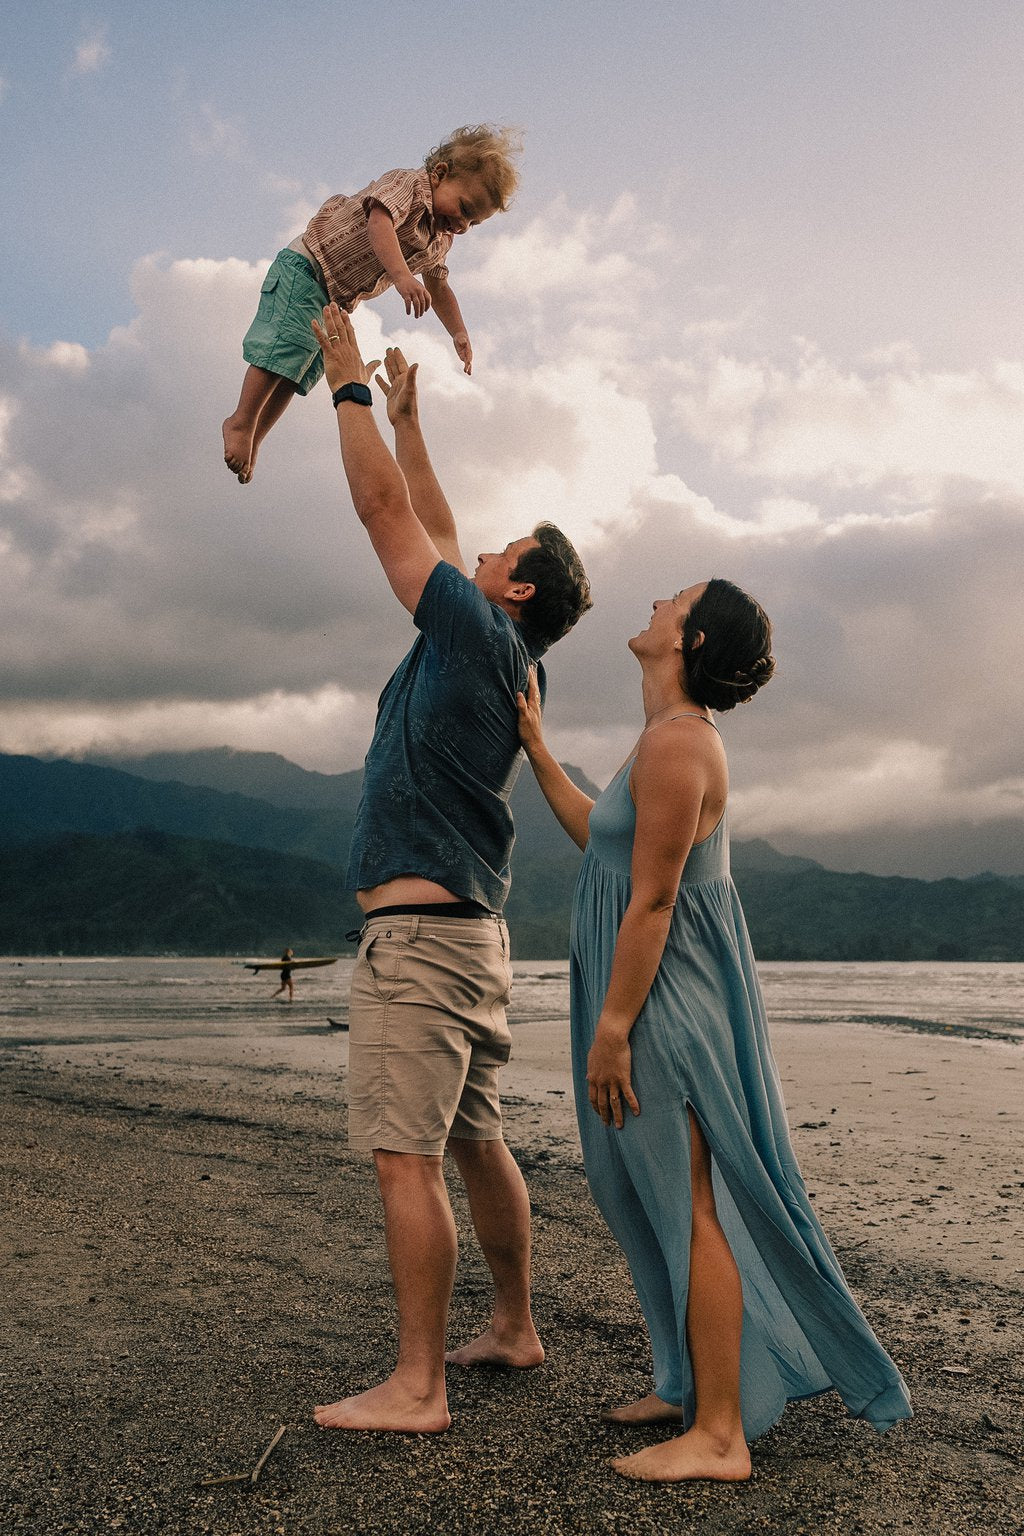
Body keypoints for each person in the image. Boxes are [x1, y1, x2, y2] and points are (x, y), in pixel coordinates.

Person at [516, 579, 912, 1482]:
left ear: (691, 641)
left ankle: (721, 1434)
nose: (656, 602)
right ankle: (686, 1381)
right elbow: (604, 841)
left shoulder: (683, 746)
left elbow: (653, 899)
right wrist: (539, 748)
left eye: (675, 600)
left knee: (692, 1201)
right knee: (642, 1190)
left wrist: (613, 1027)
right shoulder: (657, 741)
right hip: (644, 991)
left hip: (664, 1003)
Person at [309, 301, 592, 1434]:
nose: (478, 554)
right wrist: (416, 427)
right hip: (469, 937)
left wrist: (349, 389)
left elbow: (390, 518)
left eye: (498, 556)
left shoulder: (475, 633)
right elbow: (430, 512)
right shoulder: (497, 641)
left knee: (404, 1158)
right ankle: (514, 1326)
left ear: (513, 588)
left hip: (422, 942)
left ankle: (417, 1387)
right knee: (475, 1137)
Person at [222, 124, 520, 484]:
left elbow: (439, 285)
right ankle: (241, 420)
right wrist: (401, 276)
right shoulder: (407, 185)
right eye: (464, 208)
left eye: (474, 222)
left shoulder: (439, 241)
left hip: (334, 299)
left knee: (301, 366)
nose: (462, 225)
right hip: (309, 265)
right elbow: (379, 222)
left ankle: (256, 434)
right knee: (284, 345)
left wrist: (458, 330)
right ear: (441, 174)